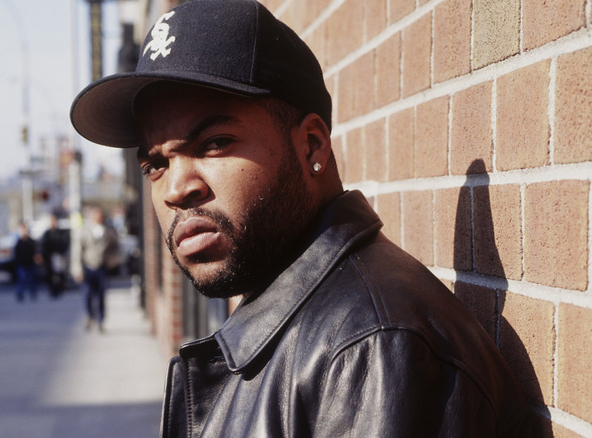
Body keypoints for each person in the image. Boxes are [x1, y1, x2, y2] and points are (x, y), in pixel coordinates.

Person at [70, 1, 538, 436]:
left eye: (214, 143)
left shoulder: (372, 350)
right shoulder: (300, 318)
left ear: (312, 145)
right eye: (156, 164)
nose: (176, 189)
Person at [77, 207, 119, 332]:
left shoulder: (108, 231)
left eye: (100, 216)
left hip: (102, 267)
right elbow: (78, 250)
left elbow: (116, 247)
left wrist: (113, 260)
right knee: (88, 294)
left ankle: (101, 321)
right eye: (95, 216)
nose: (98, 218)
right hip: (88, 267)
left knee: (101, 295)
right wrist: (77, 269)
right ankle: (90, 316)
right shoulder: (84, 231)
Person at [41, 214, 69, 299]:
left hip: (59, 256)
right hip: (49, 257)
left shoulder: (61, 233)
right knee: (50, 275)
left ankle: (60, 290)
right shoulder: (47, 233)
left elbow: (65, 243)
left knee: (60, 274)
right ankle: (52, 291)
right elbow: (43, 245)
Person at [13, 222, 41, 302]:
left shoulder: (31, 241)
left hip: (30, 263)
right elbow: (16, 254)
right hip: (22, 264)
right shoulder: (19, 242)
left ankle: (33, 293)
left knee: (32, 280)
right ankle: (20, 294)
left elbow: (36, 252)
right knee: (21, 279)